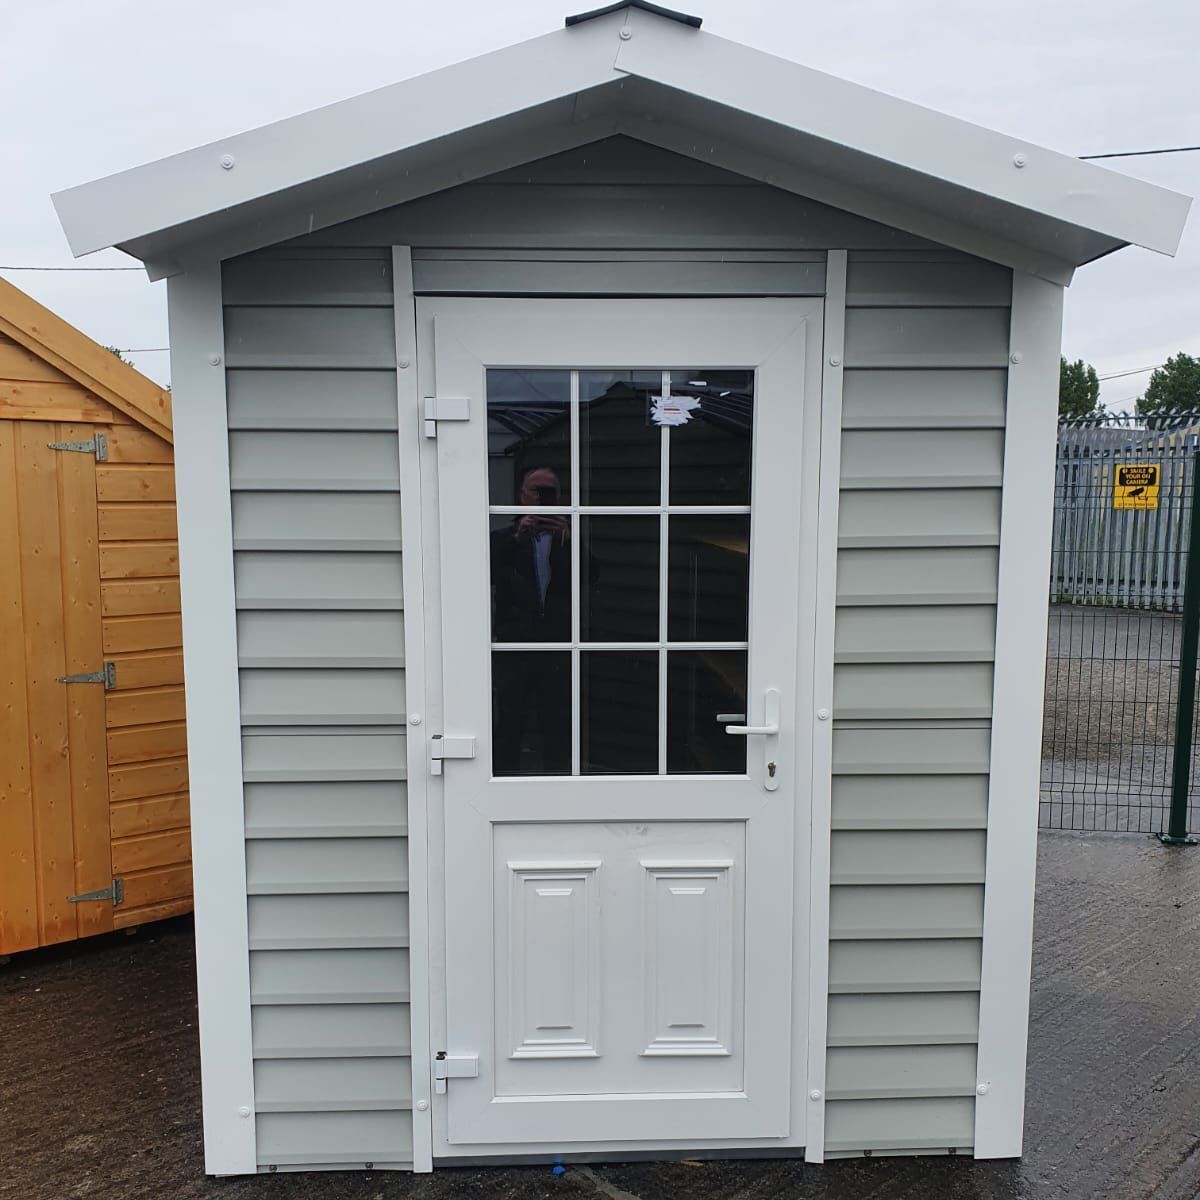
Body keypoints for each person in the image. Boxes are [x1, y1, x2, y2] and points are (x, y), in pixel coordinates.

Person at [491, 467, 574, 773]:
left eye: (547, 491)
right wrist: (517, 536)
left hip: (558, 643)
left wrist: (569, 538)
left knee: (557, 720)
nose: (540, 498)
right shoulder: (504, 538)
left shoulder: (567, 537)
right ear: (521, 496)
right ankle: (504, 783)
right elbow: (487, 575)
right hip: (514, 643)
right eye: (534, 491)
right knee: (510, 719)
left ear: (559, 496)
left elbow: (592, 577)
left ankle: (560, 783)